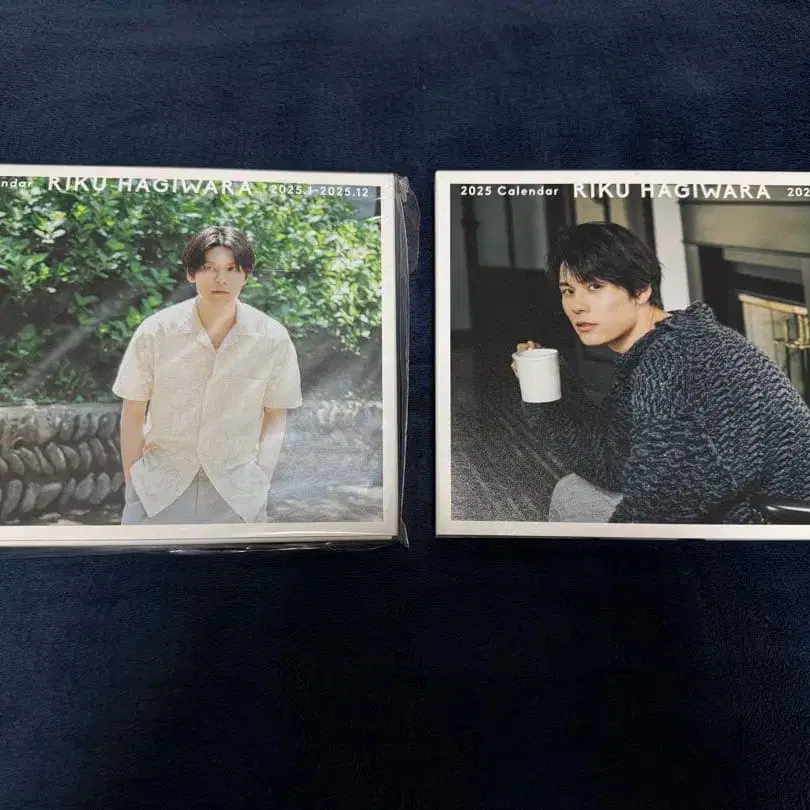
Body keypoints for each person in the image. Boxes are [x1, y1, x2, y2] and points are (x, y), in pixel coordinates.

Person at [513, 221, 810, 524]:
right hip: (738, 510)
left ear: (641, 289)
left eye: (595, 287)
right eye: (568, 291)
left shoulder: (673, 359)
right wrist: (552, 388)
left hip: (773, 525)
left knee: (576, 503)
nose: (577, 306)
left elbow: (657, 509)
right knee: (573, 492)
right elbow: (612, 464)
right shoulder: (661, 345)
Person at [112, 225, 302, 524]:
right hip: (159, 490)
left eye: (232, 269)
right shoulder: (156, 332)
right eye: (209, 268)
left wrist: (260, 479)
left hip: (237, 495)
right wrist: (134, 489)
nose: (221, 279)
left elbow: (275, 416)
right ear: (191, 274)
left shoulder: (272, 338)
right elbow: (133, 412)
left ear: (246, 275)